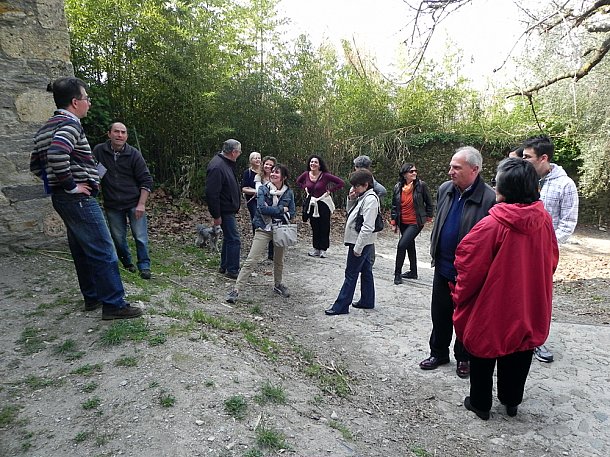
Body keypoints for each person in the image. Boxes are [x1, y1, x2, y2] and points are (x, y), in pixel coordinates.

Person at [451, 158, 559, 420]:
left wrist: (458, 295)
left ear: (503, 189)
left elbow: (468, 267)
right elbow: (552, 259)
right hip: (529, 302)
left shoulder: (491, 225)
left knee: (484, 351)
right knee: (520, 349)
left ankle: (480, 404)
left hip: (493, 305)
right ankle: (511, 402)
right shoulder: (543, 220)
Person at [30, 77, 142, 320]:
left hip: (62, 200)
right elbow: (58, 153)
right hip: (78, 200)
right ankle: (114, 304)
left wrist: (57, 186)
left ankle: (92, 297)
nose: (89, 103)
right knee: (103, 248)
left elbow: (36, 166)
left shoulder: (45, 128)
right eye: (86, 99)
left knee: (82, 249)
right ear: (74, 102)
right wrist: (71, 186)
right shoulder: (70, 125)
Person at [419, 146, 496, 378]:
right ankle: (439, 352)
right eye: (451, 166)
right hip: (443, 267)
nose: (450, 171)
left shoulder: (489, 198)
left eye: (456, 167)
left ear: (475, 169)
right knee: (440, 313)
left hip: (469, 273)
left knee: (465, 318)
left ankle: (464, 358)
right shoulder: (445, 189)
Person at [522, 135, 579, 363]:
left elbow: (568, 223)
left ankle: (537, 341)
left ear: (543, 158)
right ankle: (518, 336)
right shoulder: (525, 179)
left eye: (528, 157)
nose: (523, 161)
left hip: (544, 253)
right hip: (519, 249)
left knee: (538, 296)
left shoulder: (565, 185)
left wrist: (546, 244)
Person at [226, 164, 296, 303]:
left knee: (278, 260)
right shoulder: (263, 189)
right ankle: (236, 290)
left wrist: (277, 210)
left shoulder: (289, 193)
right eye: (273, 172)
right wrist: (282, 210)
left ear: (284, 177)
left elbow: (292, 212)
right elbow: (262, 209)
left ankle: (278, 284)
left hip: (280, 229)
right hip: (264, 228)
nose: (273, 174)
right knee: (251, 259)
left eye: (277, 172)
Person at [93, 122, 154, 280]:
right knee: (118, 238)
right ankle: (128, 263)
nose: (120, 135)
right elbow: (94, 174)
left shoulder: (134, 154)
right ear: (109, 134)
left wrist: (141, 204)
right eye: (116, 132)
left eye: (123, 132)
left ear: (127, 136)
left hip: (133, 202)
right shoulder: (99, 151)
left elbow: (146, 180)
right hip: (112, 204)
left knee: (140, 237)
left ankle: (144, 266)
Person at [324, 169, 379, 316]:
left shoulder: (371, 200)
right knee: (366, 270)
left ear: (366, 185)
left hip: (359, 241)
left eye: (356, 186)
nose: (354, 189)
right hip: (359, 240)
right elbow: (352, 214)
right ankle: (367, 300)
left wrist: (358, 247)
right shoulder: (363, 197)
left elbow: (368, 226)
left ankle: (341, 305)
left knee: (351, 273)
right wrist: (351, 199)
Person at [390, 163, 434, 284]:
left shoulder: (421, 185)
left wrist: (429, 216)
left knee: (402, 245)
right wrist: (394, 222)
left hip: (416, 222)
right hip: (403, 221)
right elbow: (394, 206)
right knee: (410, 245)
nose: (414, 173)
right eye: (411, 171)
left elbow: (429, 202)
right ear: (404, 174)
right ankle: (413, 272)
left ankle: (397, 274)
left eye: (415, 171)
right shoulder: (398, 187)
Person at [206, 139, 242, 279]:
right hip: (224, 210)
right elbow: (212, 193)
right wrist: (216, 215)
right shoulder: (217, 166)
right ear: (233, 152)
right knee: (234, 239)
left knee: (228, 238)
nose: (239, 154)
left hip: (228, 208)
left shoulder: (226, 164)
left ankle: (225, 265)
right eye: (239, 151)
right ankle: (232, 269)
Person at [296, 155, 345, 258]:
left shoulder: (325, 175)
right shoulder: (306, 174)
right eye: (311, 162)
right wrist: (304, 187)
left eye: (315, 162)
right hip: (312, 203)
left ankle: (323, 249)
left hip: (323, 203)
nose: (313, 164)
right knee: (314, 226)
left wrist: (330, 191)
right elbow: (298, 182)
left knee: (324, 226)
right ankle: (316, 248)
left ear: (319, 165)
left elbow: (340, 183)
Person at [241, 151, 262, 230]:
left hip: (266, 200)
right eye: (255, 158)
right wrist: (256, 191)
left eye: (259, 158)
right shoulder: (248, 173)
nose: (257, 160)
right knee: (255, 218)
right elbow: (244, 188)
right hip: (252, 200)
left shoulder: (265, 171)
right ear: (251, 160)